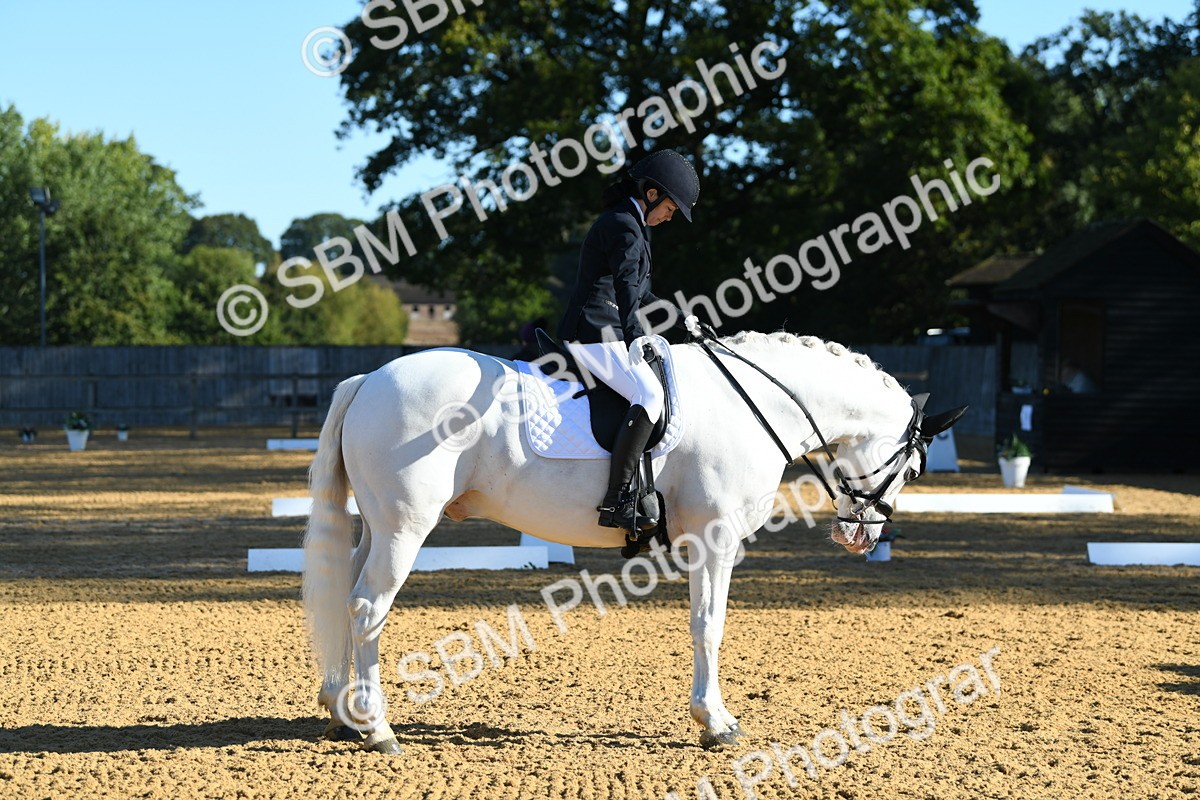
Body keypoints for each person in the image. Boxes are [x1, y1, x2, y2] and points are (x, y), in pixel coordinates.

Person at [558, 150, 703, 534]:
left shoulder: (635, 224)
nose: (669, 217)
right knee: (651, 396)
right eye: (670, 209)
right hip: (593, 330)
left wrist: (680, 317)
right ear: (652, 193)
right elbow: (624, 288)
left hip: (606, 327)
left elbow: (641, 293)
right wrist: (635, 336)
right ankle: (619, 497)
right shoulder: (623, 224)